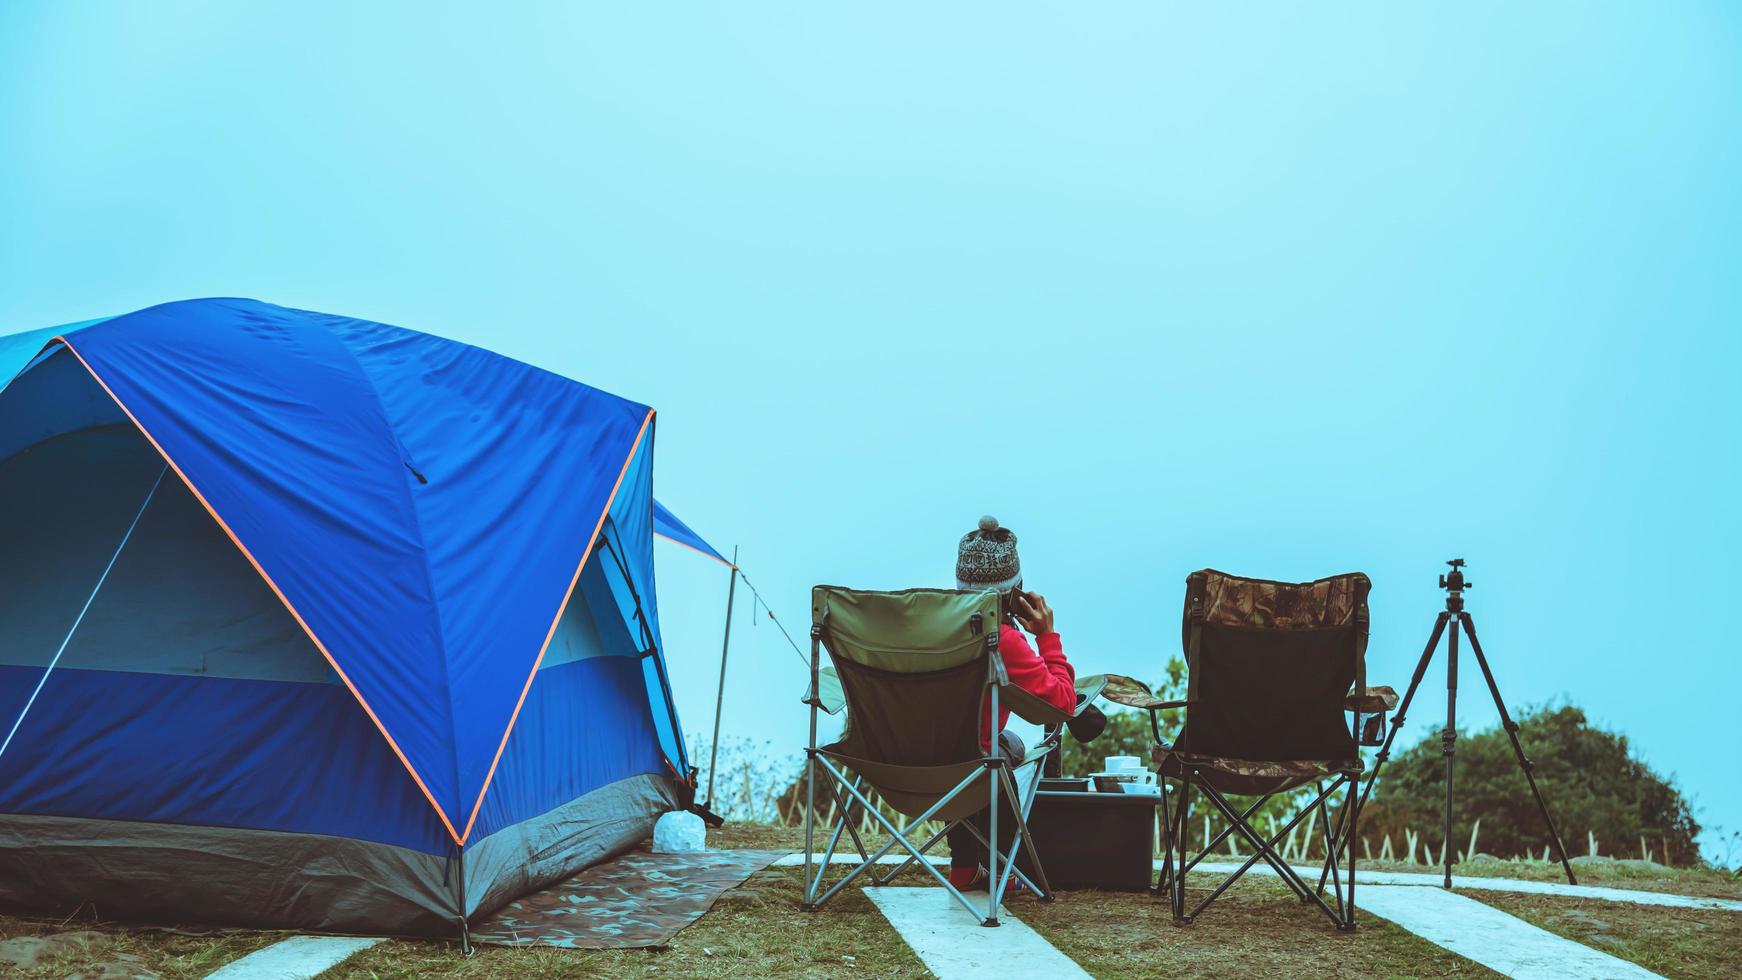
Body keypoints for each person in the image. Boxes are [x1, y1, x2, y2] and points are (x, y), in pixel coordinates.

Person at [945, 515, 1077, 892]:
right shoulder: (1004, 640)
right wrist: (1047, 637)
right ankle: (1004, 865)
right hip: (974, 768)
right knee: (1000, 748)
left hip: (909, 763)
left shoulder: (929, 628)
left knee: (975, 746)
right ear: (1015, 592)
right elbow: (1062, 704)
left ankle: (964, 866)